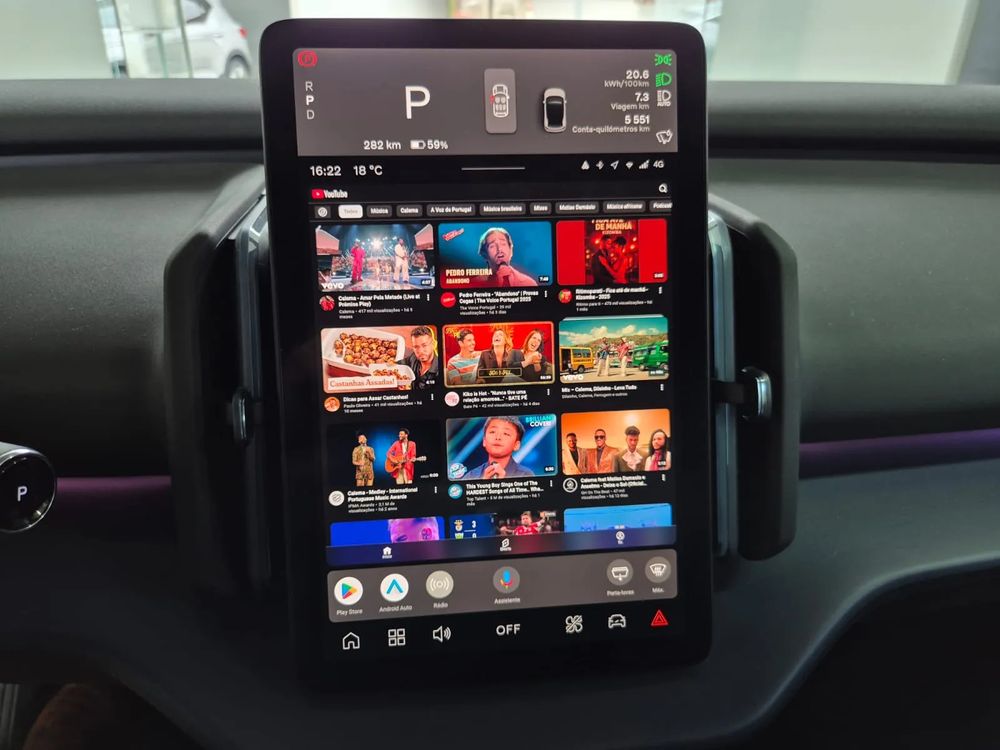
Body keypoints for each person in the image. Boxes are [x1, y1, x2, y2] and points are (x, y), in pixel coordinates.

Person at [463, 416, 533, 479]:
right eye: (492, 432)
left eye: (506, 434)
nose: (498, 437)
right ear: (484, 441)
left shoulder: (525, 475)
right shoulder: (471, 476)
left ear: (516, 445)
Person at [472, 227, 538, 288]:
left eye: (503, 244)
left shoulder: (528, 283)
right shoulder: (475, 284)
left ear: (511, 250)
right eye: (492, 246)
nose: (499, 249)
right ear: (484, 255)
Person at [398, 325, 438, 389]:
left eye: (424, 345)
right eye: (416, 347)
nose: (420, 351)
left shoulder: (440, 372)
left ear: (433, 344)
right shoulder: (413, 357)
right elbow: (398, 364)